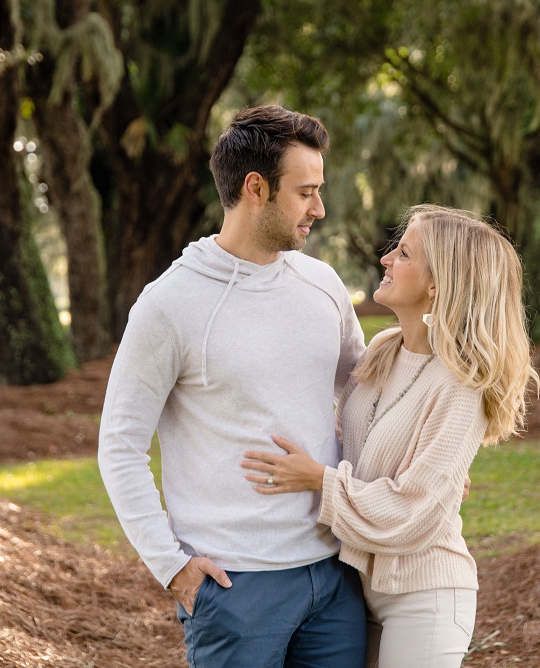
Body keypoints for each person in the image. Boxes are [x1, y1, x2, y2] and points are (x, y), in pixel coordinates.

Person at [98, 105, 367, 667]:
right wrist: (171, 565)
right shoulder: (170, 304)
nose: (320, 208)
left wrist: (425, 470)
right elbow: (120, 445)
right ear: (255, 188)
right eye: (306, 192)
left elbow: (368, 396)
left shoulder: (322, 284)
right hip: (237, 588)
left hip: (335, 574)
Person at [241, 204, 539, 668]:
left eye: (403, 253)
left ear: (437, 285)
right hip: (359, 588)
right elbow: (352, 431)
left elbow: (412, 510)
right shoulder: (384, 349)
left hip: (424, 596)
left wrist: (320, 480)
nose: (385, 260)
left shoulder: (461, 385)